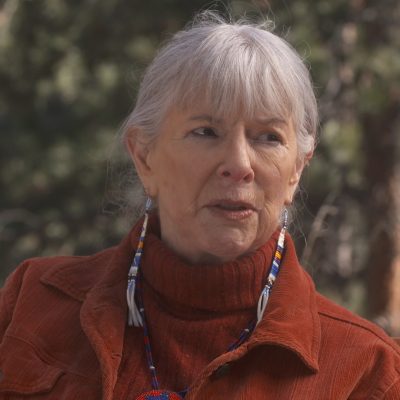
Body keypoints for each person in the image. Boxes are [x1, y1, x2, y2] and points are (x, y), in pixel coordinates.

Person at [0, 11, 399, 400]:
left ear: (296, 170)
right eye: (205, 131)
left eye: (268, 137)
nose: (240, 165)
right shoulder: (34, 304)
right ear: (144, 157)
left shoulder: (366, 370)